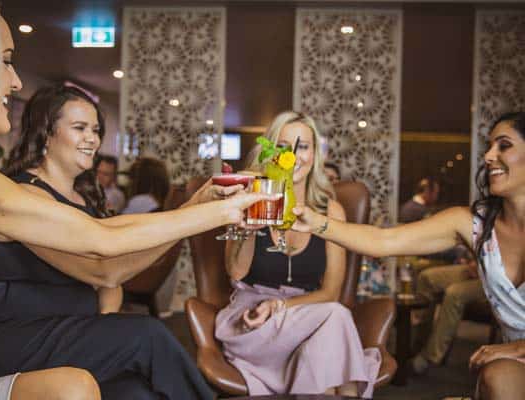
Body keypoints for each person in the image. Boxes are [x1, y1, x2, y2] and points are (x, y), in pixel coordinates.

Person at [0, 1, 271, 398]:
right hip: (7, 334)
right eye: (5, 62)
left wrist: (202, 206)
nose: (17, 81)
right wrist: (216, 210)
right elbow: (105, 264)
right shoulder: (17, 188)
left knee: (137, 388)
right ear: (46, 134)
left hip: (65, 330)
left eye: (95, 128)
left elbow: (103, 240)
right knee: (147, 335)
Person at [292, 112, 525, 400]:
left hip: (514, 352)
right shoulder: (473, 223)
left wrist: (519, 347)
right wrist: (316, 222)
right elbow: (382, 240)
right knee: (498, 376)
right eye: (489, 146)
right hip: (509, 364)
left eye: (504, 145)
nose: (489, 155)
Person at [216, 111, 381, 398]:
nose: (292, 154)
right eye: (282, 146)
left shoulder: (331, 212)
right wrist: (252, 218)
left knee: (330, 331)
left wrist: (280, 307)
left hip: (307, 322)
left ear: (314, 154)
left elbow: (330, 292)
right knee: (337, 325)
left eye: (302, 146)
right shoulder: (252, 200)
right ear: (270, 152)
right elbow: (236, 273)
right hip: (254, 325)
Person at [410, 256, 487, 375]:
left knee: (454, 293)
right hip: (482, 265)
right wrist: (475, 262)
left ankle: (429, 357)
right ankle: (419, 343)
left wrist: (489, 268)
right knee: (426, 277)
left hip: (504, 276)